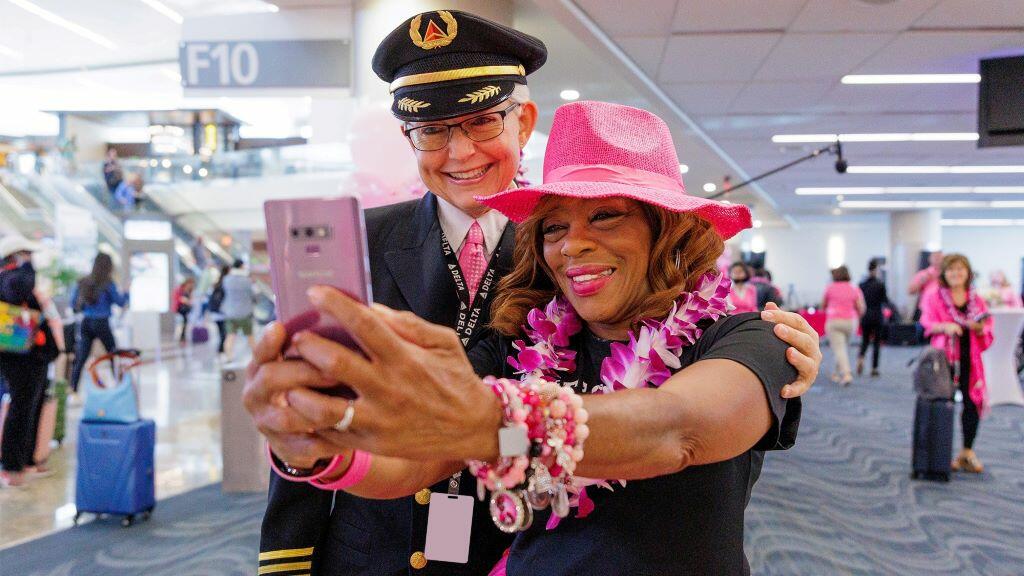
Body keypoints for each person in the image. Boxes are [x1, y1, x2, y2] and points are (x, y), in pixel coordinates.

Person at [250, 14, 823, 576]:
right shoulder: (523, 346)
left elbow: (676, 429)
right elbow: (422, 456)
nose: (573, 245)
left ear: (664, 226)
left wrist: (481, 417)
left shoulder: (750, 340)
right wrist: (317, 451)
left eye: (605, 216)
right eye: (552, 227)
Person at [919, 254, 993, 474]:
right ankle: (940, 454)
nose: (956, 273)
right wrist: (945, 326)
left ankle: (967, 452)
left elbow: (988, 326)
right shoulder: (934, 296)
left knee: (972, 404)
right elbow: (926, 323)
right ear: (944, 273)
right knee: (944, 403)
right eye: (951, 269)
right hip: (944, 359)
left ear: (968, 273)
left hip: (971, 358)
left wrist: (980, 328)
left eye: (960, 269)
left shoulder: (976, 299)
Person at [0, 235, 64, 488]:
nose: (30, 259)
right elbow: (20, 289)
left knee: (30, 405)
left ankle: (27, 460)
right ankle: (13, 465)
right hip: (20, 355)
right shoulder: (11, 278)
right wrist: (26, 268)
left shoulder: (13, 277)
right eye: (26, 253)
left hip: (29, 355)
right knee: (21, 407)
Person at [68, 252, 128, 394]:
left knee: (82, 357)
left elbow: (73, 304)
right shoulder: (108, 283)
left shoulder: (83, 281)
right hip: (102, 322)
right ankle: (118, 384)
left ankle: (73, 388)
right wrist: (126, 292)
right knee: (113, 353)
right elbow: (120, 302)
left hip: (86, 322)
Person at [823, 265, 865, 386]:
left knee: (839, 348)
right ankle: (835, 373)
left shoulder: (830, 288)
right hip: (851, 322)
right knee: (841, 348)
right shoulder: (854, 288)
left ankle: (846, 374)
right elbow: (861, 308)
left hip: (834, 321)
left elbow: (823, 305)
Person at [857, 259, 890, 377]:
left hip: (865, 316)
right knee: (876, 342)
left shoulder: (862, 285)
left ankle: (861, 357)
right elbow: (885, 301)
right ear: (876, 270)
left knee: (865, 340)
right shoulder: (880, 284)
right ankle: (874, 368)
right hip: (877, 316)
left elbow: (858, 302)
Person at [220, 260, 255, 359]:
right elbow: (253, 295)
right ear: (241, 267)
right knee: (250, 336)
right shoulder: (247, 280)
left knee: (230, 336)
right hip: (245, 312)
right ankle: (257, 357)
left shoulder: (226, 279)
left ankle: (228, 357)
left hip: (230, 312)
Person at [208, 265, 230, 356]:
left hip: (215, 311)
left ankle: (221, 350)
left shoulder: (218, 283)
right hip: (221, 312)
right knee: (223, 332)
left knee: (222, 332)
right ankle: (221, 350)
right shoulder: (225, 283)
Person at [171, 278, 194, 344]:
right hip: (180, 309)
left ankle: (183, 337)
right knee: (184, 322)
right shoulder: (180, 289)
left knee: (185, 322)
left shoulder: (189, 290)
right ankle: (182, 338)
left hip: (186, 309)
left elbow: (190, 300)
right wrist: (185, 301)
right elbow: (178, 298)